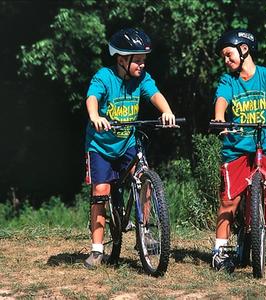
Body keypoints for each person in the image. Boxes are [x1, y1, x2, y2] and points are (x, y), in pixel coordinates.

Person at [84, 28, 175, 269]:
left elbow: (155, 94)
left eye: (144, 60)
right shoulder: (104, 77)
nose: (142, 65)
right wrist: (95, 116)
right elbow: (92, 98)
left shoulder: (141, 79)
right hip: (101, 146)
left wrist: (166, 111)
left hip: (127, 143)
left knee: (143, 176)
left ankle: (144, 232)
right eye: (138, 60)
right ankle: (96, 249)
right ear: (122, 60)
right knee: (101, 191)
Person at [211, 29, 266, 271]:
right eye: (223, 56)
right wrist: (220, 118)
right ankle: (219, 252)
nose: (226, 59)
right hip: (237, 149)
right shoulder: (228, 80)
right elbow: (222, 99)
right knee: (229, 202)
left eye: (228, 54)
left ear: (244, 50)